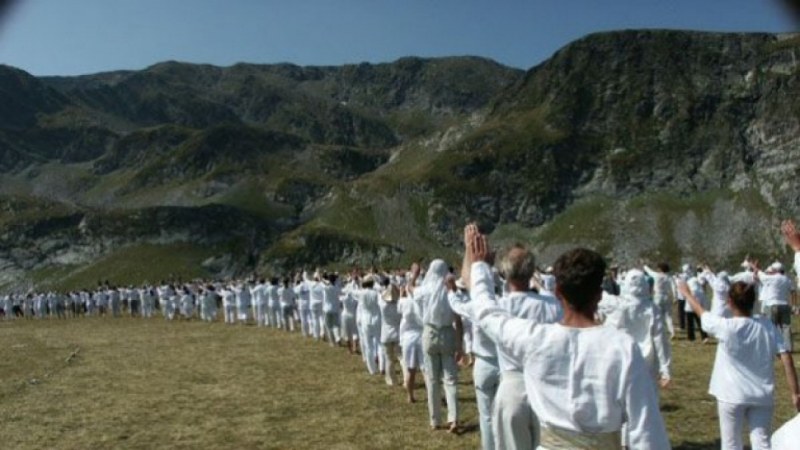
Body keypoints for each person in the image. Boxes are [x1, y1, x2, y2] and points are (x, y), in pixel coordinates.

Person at [461, 224, 670, 449]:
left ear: (558, 292)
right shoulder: (623, 348)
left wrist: (480, 266)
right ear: (599, 296)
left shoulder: (536, 340)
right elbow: (646, 431)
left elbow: (487, 312)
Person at [678, 278, 800, 450]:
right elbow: (786, 357)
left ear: (729, 302)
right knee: (762, 442)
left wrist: (687, 294)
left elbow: (703, 314)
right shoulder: (767, 326)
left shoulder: (726, 326)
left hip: (730, 394)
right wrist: (795, 392)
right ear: (754, 301)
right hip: (761, 394)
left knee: (731, 443)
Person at [411, 260, 462, 433]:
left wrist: (414, 276)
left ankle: (435, 420)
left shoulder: (426, 289)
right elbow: (459, 314)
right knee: (450, 379)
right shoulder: (449, 290)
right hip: (447, 332)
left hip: (430, 332)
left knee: (432, 379)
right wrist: (460, 345)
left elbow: (410, 291)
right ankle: (453, 418)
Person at [397, 285, 424, 403]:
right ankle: (435, 396)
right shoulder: (422, 302)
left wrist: (401, 294)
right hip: (421, 335)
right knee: (426, 369)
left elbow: (398, 309)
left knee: (410, 369)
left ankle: (410, 396)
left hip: (408, 338)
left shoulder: (404, 301)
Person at [378, 282, 402, 386]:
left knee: (389, 359)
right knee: (401, 358)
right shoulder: (399, 305)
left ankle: (391, 380)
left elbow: (380, 296)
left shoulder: (382, 305)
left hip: (386, 335)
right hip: (397, 333)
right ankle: (406, 378)